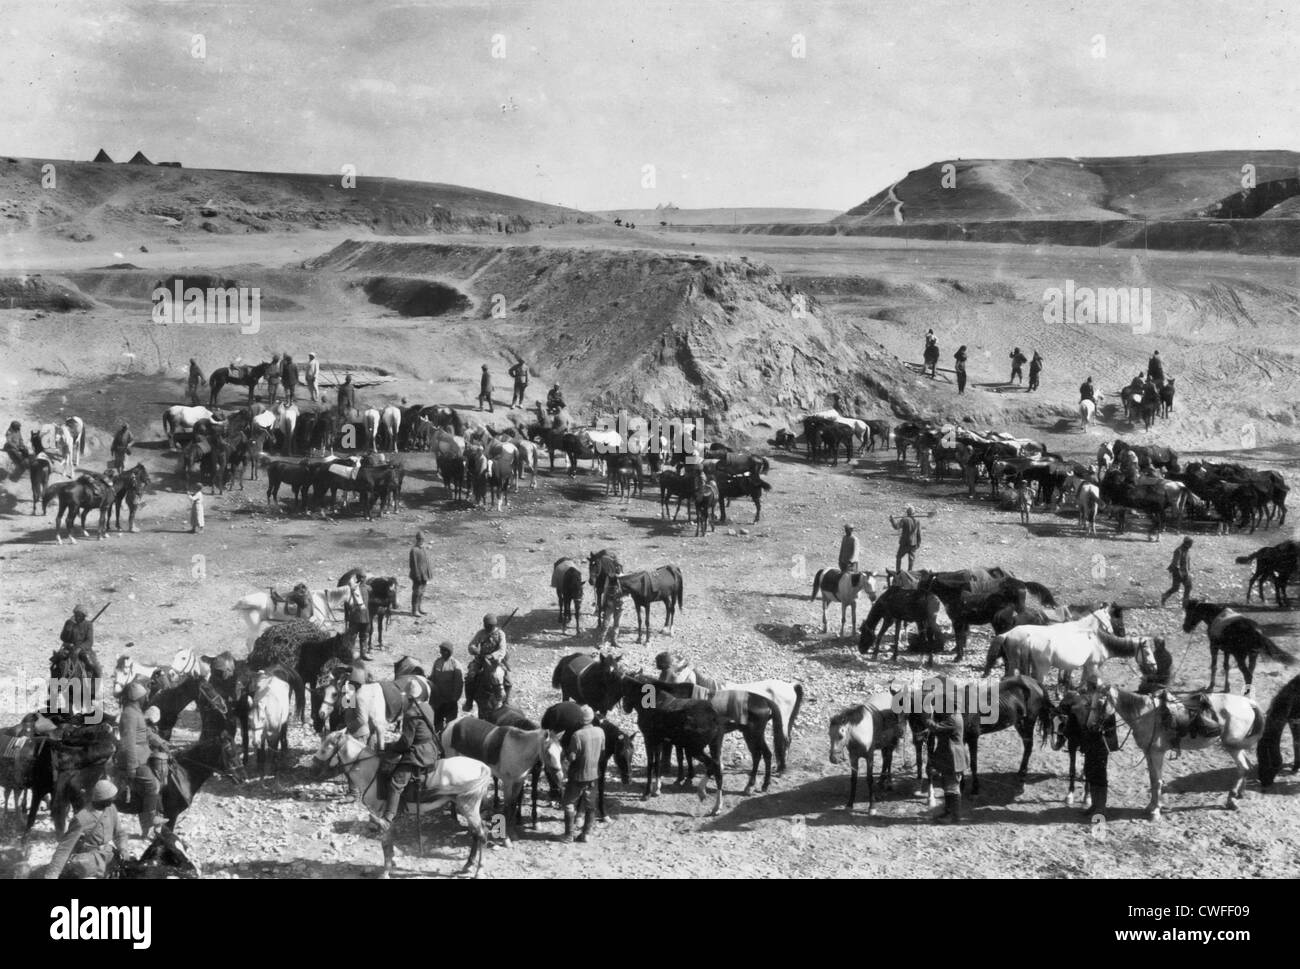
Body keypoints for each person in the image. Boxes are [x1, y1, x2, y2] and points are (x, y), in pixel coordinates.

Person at [373, 678, 439, 833]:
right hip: (432, 747)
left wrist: (391, 746)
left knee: (396, 783)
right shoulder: (427, 707)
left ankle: (387, 818)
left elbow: (406, 743)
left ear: (408, 697)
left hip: (419, 753)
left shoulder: (410, 712)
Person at [45, 779, 130, 879]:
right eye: (111, 797)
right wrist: (52, 875)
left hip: (108, 857)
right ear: (103, 799)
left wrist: (123, 848)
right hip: (88, 863)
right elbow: (64, 848)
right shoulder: (82, 818)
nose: (114, 799)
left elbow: (119, 833)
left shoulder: (111, 809)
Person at [117, 681, 162, 838]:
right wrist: (131, 766)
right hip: (134, 758)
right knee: (153, 785)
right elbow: (128, 741)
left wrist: (161, 742)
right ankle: (149, 826)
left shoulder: (136, 711)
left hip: (143, 754)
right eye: (144, 697)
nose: (146, 699)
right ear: (138, 698)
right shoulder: (129, 714)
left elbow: (145, 732)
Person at [562, 705, 605, 843]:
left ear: (580, 720)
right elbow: (602, 750)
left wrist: (566, 753)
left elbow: (572, 758)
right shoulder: (600, 731)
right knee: (590, 805)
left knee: (569, 803)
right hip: (594, 774)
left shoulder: (577, 735)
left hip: (578, 775)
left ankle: (568, 835)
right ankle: (586, 834)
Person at [925, 709, 967, 823]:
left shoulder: (953, 719)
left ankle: (954, 817)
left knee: (952, 787)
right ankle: (948, 812)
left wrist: (927, 719)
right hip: (949, 758)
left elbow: (937, 728)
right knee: (948, 786)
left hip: (953, 758)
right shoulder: (952, 715)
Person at [464, 614, 512, 710]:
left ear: (494, 625)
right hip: (481, 659)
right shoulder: (481, 633)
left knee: (508, 681)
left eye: (490, 626)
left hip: (496, 661)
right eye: (486, 625)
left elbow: (502, 650)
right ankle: (469, 702)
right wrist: (475, 650)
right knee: (470, 676)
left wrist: (492, 656)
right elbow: (471, 645)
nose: (488, 627)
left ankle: (506, 701)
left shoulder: (500, 634)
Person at [430, 643, 464, 734]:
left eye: (445, 650)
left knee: (451, 726)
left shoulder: (455, 664)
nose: (442, 652)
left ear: (449, 652)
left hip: (450, 700)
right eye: (441, 650)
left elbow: (459, 683)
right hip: (438, 699)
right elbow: (433, 678)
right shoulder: (437, 662)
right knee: (437, 723)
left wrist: (454, 698)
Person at [1160, 537, 1194, 607]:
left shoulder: (1187, 550)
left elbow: (1188, 562)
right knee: (1175, 588)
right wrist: (1180, 574)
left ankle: (1185, 605)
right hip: (1178, 573)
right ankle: (1165, 596)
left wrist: (1189, 572)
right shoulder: (1178, 551)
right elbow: (1176, 563)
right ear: (1187, 543)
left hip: (1186, 573)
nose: (1192, 545)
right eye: (1191, 543)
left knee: (1188, 587)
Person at [345, 574, 372, 660]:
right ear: (357, 578)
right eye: (361, 577)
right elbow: (346, 602)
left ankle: (363, 654)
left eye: (364, 577)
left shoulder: (368, 588)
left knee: (364, 635)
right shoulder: (351, 588)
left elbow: (372, 602)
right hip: (354, 617)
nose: (362, 579)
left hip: (366, 616)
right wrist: (347, 615)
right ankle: (350, 654)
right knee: (352, 636)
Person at [889, 505, 922, 573]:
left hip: (904, 543)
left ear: (907, 513)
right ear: (914, 513)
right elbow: (919, 533)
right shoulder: (917, 521)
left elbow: (896, 527)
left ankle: (898, 572)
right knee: (911, 559)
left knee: (898, 557)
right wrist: (918, 543)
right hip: (913, 543)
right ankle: (910, 572)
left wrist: (892, 520)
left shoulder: (904, 520)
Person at [409, 531, 432, 617]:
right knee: (416, 592)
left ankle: (419, 608)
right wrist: (417, 575)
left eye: (423, 539)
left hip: (424, 575)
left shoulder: (423, 548)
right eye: (420, 539)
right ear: (417, 539)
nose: (421, 541)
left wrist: (428, 573)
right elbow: (413, 565)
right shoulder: (414, 550)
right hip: (417, 576)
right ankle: (414, 610)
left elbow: (427, 562)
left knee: (422, 592)